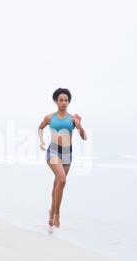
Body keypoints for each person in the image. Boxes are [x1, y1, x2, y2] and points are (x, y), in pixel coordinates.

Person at [38, 88, 87, 228]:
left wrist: (79, 126)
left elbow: (85, 137)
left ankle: (51, 210)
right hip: (53, 151)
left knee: (58, 183)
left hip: (67, 152)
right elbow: (40, 128)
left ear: (68, 102)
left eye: (66, 100)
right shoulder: (49, 117)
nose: (63, 103)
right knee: (62, 179)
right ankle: (57, 214)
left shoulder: (72, 119)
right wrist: (41, 140)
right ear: (56, 101)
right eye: (61, 100)